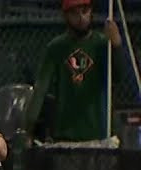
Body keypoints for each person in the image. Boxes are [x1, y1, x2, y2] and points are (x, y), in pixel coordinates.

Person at [25, 0, 125, 147]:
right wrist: (29, 128)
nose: (81, 17)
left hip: (100, 133)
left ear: (91, 12)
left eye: (85, 11)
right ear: (65, 16)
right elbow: (40, 89)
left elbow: (118, 76)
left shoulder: (103, 44)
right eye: (74, 13)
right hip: (66, 136)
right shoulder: (56, 48)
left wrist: (117, 46)